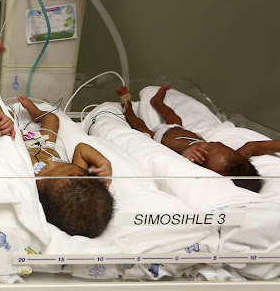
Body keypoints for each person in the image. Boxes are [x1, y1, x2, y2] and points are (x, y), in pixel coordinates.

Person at [117, 85, 272, 193]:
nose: (211, 143)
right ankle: (157, 102)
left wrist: (186, 152)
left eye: (208, 149)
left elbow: (172, 164)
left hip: (157, 138)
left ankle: (127, 105)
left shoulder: (192, 166)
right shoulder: (233, 158)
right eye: (217, 145)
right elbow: (253, 146)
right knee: (172, 117)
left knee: (138, 125)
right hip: (179, 129)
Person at [18, 96, 114, 238]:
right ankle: (36, 113)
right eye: (61, 164)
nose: (51, 163)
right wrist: (104, 163)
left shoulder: (32, 185)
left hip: (21, 147)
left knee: (6, 127)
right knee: (52, 118)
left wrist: (17, 140)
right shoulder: (76, 176)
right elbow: (82, 148)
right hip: (46, 145)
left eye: (48, 171)